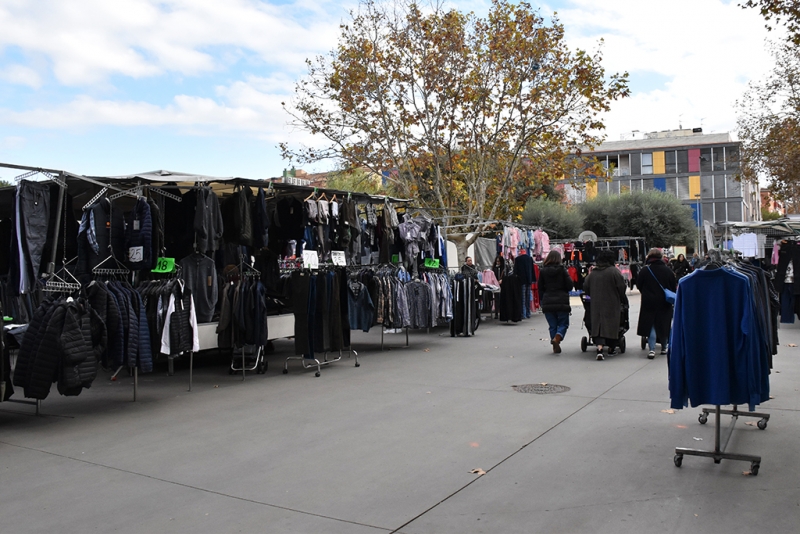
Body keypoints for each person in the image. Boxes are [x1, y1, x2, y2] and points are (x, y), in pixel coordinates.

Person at [583, 249, 628, 360]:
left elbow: (586, 287)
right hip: (612, 303)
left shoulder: (593, 273)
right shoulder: (614, 272)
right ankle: (611, 348)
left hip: (596, 304)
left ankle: (599, 348)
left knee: (597, 325)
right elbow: (621, 287)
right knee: (612, 325)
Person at [636, 248, 678, 359]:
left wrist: (646, 293)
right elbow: (673, 286)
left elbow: (639, 284)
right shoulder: (668, 270)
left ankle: (652, 349)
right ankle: (664, 347)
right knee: (663, 324)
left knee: (651, 325)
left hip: (649, 301)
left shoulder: (645, 270)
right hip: (664, 301)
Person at [538, 250, 573, 354]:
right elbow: (570, 285)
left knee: (552, 325)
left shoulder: (543, 271)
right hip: (561, 300)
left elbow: (540, 288)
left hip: (548, 300)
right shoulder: (562, 270)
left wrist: (542, 300)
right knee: (563, 323)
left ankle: (555, 342)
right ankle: (558, 337)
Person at [514, 249, 535, 318]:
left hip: (521, 280)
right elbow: (532, 270)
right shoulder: (529, 259)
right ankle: (528, 312)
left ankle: (523, 313)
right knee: (528, 297)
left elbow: (515, 271)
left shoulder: (517, 259)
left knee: (522, 297)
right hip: (528, 280)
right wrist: (533, 279)